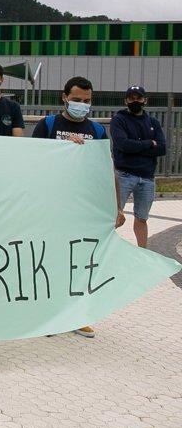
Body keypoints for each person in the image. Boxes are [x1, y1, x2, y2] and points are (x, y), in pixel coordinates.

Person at [33, 76, 127, 339]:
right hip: (50, 204)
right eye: (76, 99)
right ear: (64, 97)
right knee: (49, 258)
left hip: (82, 207)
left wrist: (117, 207)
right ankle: (46, 314)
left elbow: (106, 170)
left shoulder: (97, 131)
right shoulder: (48, 125)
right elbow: (32, 160)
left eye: (87, 101)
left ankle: (76, 315)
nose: (81, 104)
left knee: (80, 261)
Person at [110, 86, 166, 249]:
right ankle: (106, 251)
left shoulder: (153, 122)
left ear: (145, 100)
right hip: (124, 175)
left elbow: (162, 148)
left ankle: (142, 252)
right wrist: (149, 144)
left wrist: (135, 146)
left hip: (147, 178)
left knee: (142, 218)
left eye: (138, 98)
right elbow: (123, 144)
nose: (135, 101)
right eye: (131, 98)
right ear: (126, 101)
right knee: (114, 216)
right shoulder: (119, 120)